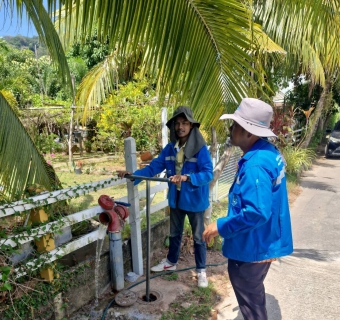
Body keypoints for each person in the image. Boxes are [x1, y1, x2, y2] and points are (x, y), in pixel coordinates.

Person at [203, 98, 293, 319]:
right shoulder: (269, 153)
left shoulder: (256, 165)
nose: (231, 130)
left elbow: (257, 212)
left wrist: (220, 226)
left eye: (235, 126)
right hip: (264, 239)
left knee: (251, 306)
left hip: (253, 246)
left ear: (249, 133)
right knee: (253, 297)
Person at [119, 106, 213, 288]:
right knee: (175, 233)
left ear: (192, 126)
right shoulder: (170, 149)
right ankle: (171, 261)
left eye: (185, 123)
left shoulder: (201, 149)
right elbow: (154, 167)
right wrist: (133, 175)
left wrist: (187, 178)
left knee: (198, 237)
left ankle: (201, 270)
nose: (180, 127)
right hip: (176, 198)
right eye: (177, 123)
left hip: (195, 200)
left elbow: (208, 174)